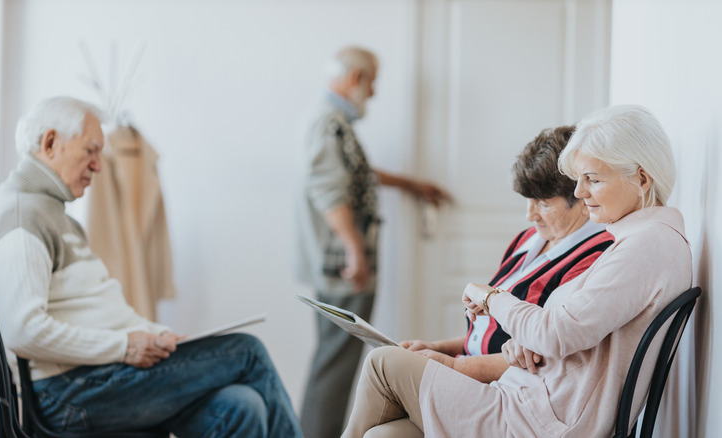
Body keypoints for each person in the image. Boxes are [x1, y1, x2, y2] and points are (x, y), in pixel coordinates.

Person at [342, 104, 692, 438]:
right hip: (529, 399)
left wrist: (491, 297)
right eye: (579, 179)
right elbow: (562, 334)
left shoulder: (645, 248)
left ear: (642, 179)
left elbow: (557, 334)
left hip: (542, 421)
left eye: (593, 180)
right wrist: (522, 343)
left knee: (382, 363)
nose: (580, 191)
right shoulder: (637, 242)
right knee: (381, 434)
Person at [0, 96, 302, 437]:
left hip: (96, 379)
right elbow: (24, 330)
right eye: (91, 150)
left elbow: (101, 312)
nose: (99, 165)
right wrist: (126, 346)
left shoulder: (55, 216)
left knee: (243, 405)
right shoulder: (21, 217)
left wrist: (158, 336)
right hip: (68, 394)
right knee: (248, 352)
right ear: (51, 143)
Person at [294, 46, 450, 438]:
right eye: (373, 82)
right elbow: (329, 191)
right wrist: (355, 250)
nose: (375, 92)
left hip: (340, 260)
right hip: (341, 263)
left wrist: (410, 185)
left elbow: (354, 172)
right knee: (336, 362)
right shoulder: (329, 123)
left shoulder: (333, 123)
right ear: (355, 78)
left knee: (335, 359)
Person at [400, 125, 614, 385]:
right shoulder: (529, 239)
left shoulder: (594, 256)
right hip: (471, 373)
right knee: (385, 386)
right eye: (529, 200)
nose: (530, 214)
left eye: (543, 204)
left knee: (384, 371)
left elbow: (546, 358)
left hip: (506, 389)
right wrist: (437, 347)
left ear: (582, 199)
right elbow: (493, 335)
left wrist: (452, 365)